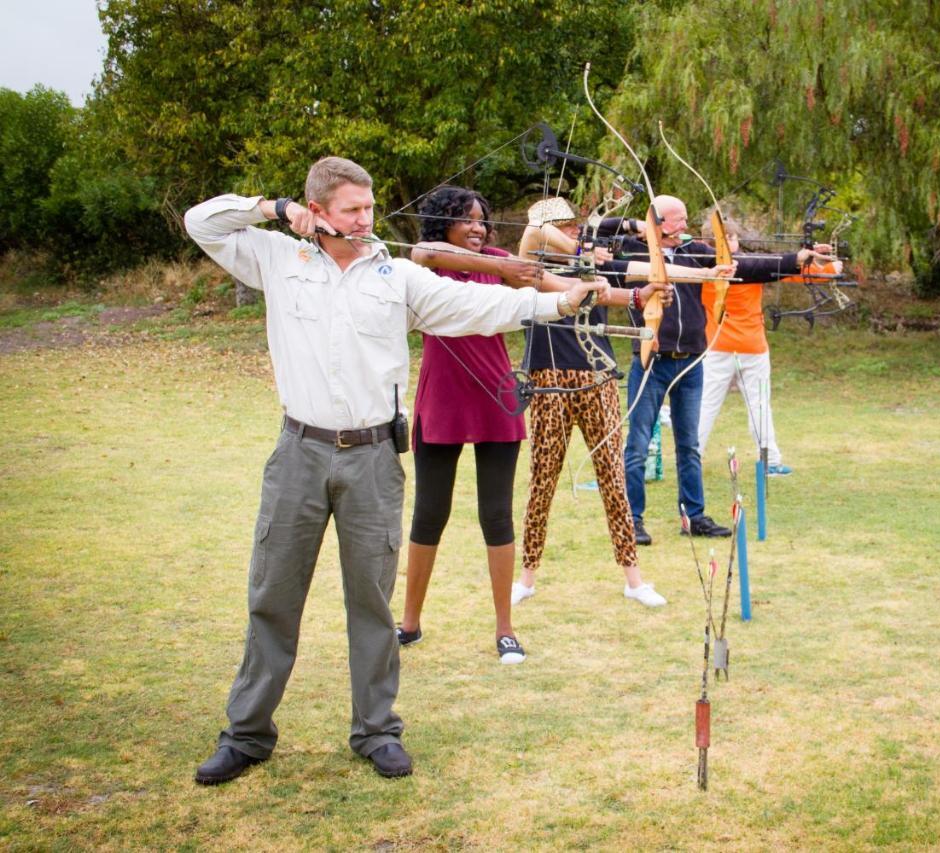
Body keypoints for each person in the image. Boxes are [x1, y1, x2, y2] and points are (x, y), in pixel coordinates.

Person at [184, 157, 601, 784]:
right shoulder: (277, 258)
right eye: (351, 209)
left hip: (374, 457)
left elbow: (472, 306)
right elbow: (201, 223)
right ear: (317, 211)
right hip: (298, 451)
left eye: (370, 208)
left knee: (372, 602)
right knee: (273, 595)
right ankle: (246, 735)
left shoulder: (397, 275)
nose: (365, 219)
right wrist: (271, 209)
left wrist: (559, 300)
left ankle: (376, 730)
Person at [396, 186, 597, 661]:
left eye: (482, 219)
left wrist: (628, 291)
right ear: (442, 221)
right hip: (442, 397)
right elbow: (422, 250)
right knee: (429, 514)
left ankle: (505, 629)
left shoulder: (503, 260)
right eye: (466, 219)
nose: (478, 227)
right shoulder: (428, 264)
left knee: (496, 515)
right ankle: (408, 622)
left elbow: (561, 290)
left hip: (495, 396)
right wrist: (502, 267)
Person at [511, 198, 727, 608]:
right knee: (543, 479)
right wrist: (600, 239)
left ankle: (634, 580)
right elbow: (534, 228)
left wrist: (707, 274)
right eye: (569, 228)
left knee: (613, 477)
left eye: (578, 228)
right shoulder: (531, 267)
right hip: (548, 379)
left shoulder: (594, 268)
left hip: (598, 378)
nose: (576, 234)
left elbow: (645, 272)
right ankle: (526, 578)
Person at [616, 195, 829, 546]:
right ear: (655, 222)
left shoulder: (694, 251)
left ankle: (693, 515)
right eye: (677, 219)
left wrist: (798, 259)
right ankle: (632, 520)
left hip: (691, 360)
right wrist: (637, 231)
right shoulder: (633, 255)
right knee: (637, 444)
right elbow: (609, 251)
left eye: (685, 219)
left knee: (689, 445)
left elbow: (746, 266)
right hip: (651, 360)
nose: (684, 226)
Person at [695, 217, 841, 476]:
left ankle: (699, 459)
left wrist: (819, 263)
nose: (729, 241)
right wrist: (830, 267)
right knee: (744, 404)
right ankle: (767, 461)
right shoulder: (750, 266)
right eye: (723, 238)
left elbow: (791, 271)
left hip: (726, 346)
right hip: (741, 347)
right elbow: (791, 270)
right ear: (711, 243)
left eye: (731, 237)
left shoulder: (701, 264)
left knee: (719, 404)